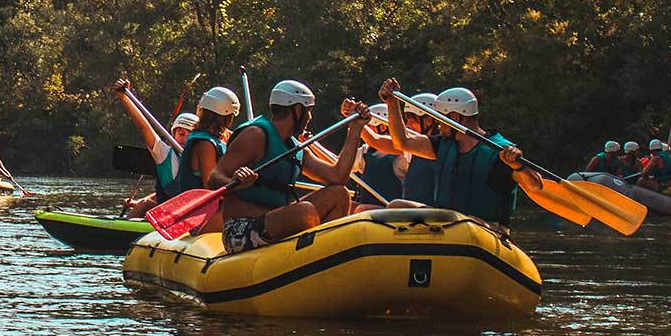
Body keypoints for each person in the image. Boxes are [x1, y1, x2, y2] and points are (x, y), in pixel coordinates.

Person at [207, 80, 368, 254]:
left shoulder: (295, 148)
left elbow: (338, 177)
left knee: (339, 194)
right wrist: (234, 181)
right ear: (297, 110)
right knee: (303, 212)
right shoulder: (255, 135)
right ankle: (316, 252)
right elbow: (214, 177)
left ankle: (327, 255)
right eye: (309, 112)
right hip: (239, 230)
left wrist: (355, 129)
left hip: (277, 221)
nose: (310, 118)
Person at [377, 79, 542, 234]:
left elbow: (536, 185)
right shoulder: (444, 144)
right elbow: (403, 143)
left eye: (440, 120)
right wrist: (392, 103)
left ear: (455, 118)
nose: (439, 126)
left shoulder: (499, 150)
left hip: (486, 228)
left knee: (460, 222)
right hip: (447, 220)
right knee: (395, 206)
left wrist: (518, 166)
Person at [116, 80, 239, 220]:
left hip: (184, 206)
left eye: (188, 133)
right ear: (173, 134)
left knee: (146, 202)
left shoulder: (214, 142)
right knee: (145, 205)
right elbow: (145, 127)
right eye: (180, 134)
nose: (184, 138)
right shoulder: (165, 154)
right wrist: (125, 98)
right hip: (177, 213)